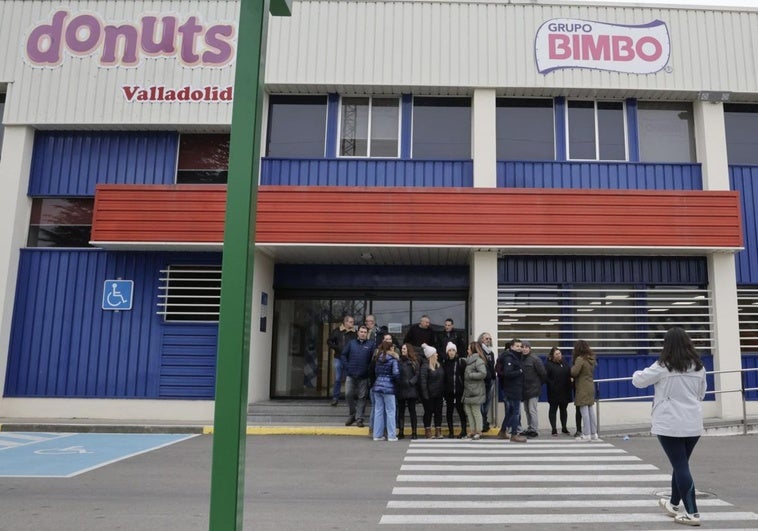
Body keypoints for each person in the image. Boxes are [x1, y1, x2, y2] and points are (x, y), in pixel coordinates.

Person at [632, 327, 707, 527]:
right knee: (680, 464)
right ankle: (674, 504)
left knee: (681, 466)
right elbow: (701, 394)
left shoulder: (663, 366)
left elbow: (638, 381)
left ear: (667, 345)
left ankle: (692, 513)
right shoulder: (699, 367)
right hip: (693, 423)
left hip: (669, 424)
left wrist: (638, 371)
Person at [341, 325, 376, 428]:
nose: (363, 333)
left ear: (367, 334)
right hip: (351, 375)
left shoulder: (371, 345)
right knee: (348, 394)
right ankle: (352, 414)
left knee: (362, 397)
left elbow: (373, 360)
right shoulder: (351, 343)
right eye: (361, 332)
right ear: (358, 333)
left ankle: (359, 418)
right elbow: (343, 355)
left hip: (364, 376)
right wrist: (347, 367)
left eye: (365, 332)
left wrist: (368, 370)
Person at [495, 338, 527, 443]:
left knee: (510, 412)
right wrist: (520, 371)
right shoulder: (510, 357)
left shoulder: (517, 357)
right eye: (517, 346)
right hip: (512, 388)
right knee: (516, 412)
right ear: (512, 347)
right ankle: (514, 434)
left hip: (515, 387)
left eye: (520, 346)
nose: (519, 348)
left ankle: (503, 431)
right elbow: (508, 373)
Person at [371, 337, 400, 442]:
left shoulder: (377, 359)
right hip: (389, 388)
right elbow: (396, 374)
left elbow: (376, 373)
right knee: (391, 411)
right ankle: (391, 435)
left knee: (378, 411)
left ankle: (377, 435)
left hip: (377, 386)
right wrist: (397, 383)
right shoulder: (393, 359)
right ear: (390, 348)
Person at [571, 339, 599, 441]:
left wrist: (571, 368)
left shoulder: (580, 359)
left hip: (582, 386)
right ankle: (594, 433)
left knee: (584, 411)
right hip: (590, 385)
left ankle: (586, 434)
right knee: (591, 410)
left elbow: (574, 372)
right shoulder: (591, 359)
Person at [326, 315, 356, 406]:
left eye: (352, 322)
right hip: (338, 358)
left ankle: (349, 398)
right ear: (345, 322)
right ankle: (335, 398)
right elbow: (329, 341)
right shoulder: (337, 331)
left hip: (349, 359)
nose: (352, 323)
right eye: (351, 322)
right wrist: (337, 348)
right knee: (338, 379)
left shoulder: (354, 332)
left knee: (349, 379)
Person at [519, 340, 546, 438]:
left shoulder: (535, 359)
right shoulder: (520, 359)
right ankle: (530, 427)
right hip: (524, 389)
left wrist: (538, 384)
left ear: (530, 348)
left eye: (527, 347)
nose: (524, 349)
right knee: (526, 410)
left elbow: (543, 374)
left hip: (534, 389)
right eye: (523, 347)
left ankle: (534, 429)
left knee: (532, 410)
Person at [441, 341, 467, 438]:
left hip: (459, 391)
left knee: (461, 411)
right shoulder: (445, 363)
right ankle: (451, 432)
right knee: (449, 411)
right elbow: (443, 378)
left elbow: (464, 376)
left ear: (456, 352)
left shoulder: (461, 362)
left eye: (453, 350)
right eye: (449, 350)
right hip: (449, 391)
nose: (451, 352)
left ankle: (463, 430)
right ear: (447, 352)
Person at [462, 341, 488, 440]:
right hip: (468, 390)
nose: (467, 350)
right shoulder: (469, 360)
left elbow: (483, 373)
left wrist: (470, 375)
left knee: (476, 411)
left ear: (473, 350)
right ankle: (473, 430)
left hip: (476, 390)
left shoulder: (478, 360)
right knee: (468, 410)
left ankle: (479, 431)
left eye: (469, 349)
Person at [419, 343, 445, 439]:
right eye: (435, 353)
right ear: (431, 355)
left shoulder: (439, 365)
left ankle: (438, 431)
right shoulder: (425, 366)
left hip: (438, 394)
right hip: (429, 395)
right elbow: (423, 382)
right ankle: (428, 431)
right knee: (428, 413)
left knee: (438, 413)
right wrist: (425, 395)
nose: (437, 355)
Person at [544, 346, 572, 436]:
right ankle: (554, 429)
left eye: (559, 353)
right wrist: (552, 385)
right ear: (552, 355)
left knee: (563, 410)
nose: (559, 355)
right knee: (553, 409)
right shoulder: (548, 364)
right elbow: (546, 377)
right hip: (554, 392)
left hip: (565, 391)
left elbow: (569, 372)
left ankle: (564, 427)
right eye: (556, 354)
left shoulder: (564, 363)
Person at [395, 343, 420, 440]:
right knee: (401, 412)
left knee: (412, 412)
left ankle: (414, 432)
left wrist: (411, 382)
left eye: (404, 349)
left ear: (408, 350)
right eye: (402, 349)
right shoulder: (398, 361)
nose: (403, 350)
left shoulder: (414, 361)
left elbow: (417, 374)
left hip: (411, 389)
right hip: (401, 388)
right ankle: (401, 431)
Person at [477, 332, 497, 433]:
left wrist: (494, 376)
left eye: (489, 339)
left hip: (491, 380)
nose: (488, 340)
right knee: (481, 403)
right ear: (481, 340)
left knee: (487, 403)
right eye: (486, 339)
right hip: (481, 381)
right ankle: (482, 423)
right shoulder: (479, 352)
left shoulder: (491, 353)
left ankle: (484, 421)